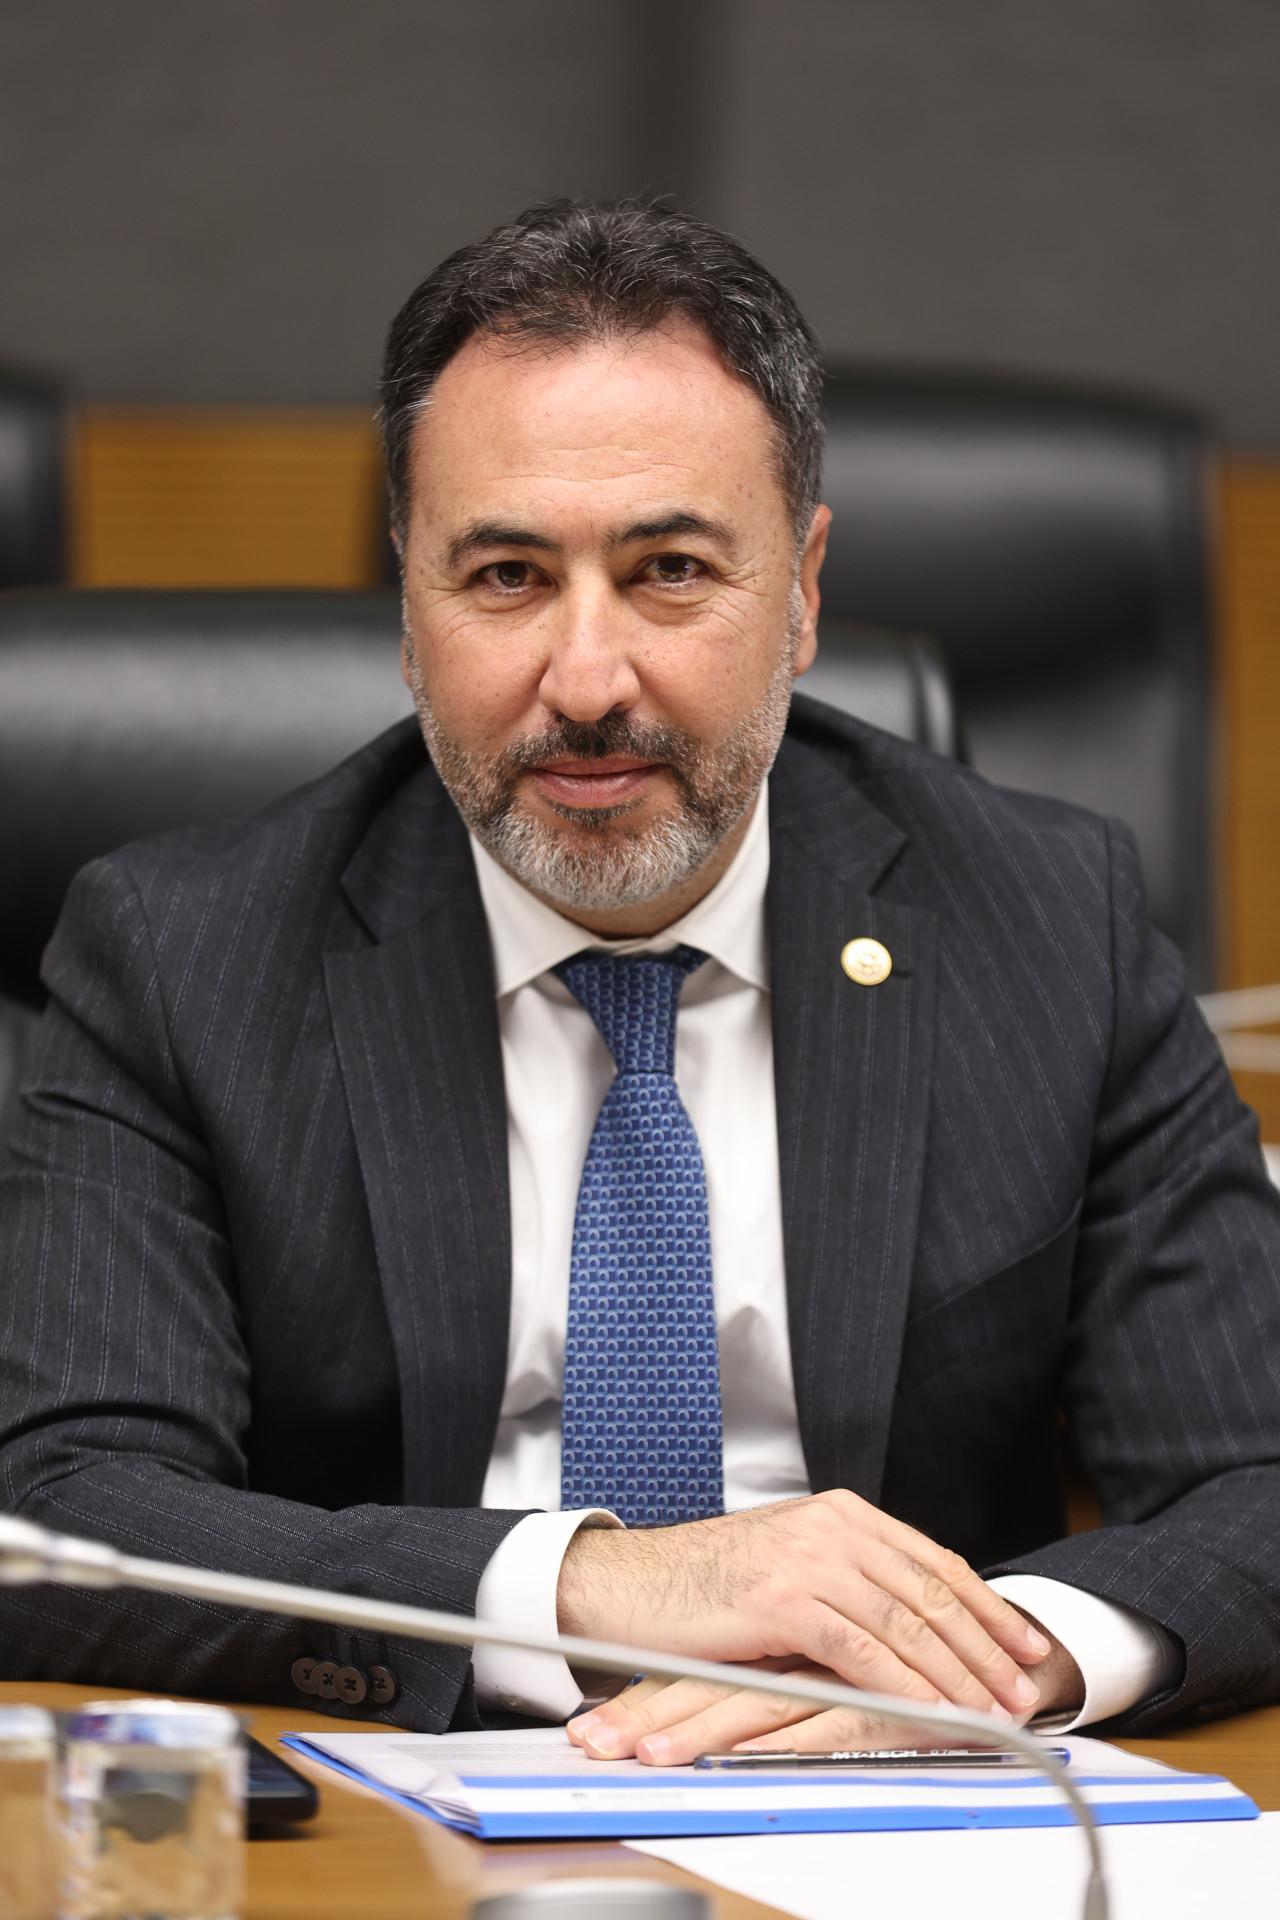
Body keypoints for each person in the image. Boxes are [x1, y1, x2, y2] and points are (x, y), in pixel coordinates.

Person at [2, 200, 1279, 1762]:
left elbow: (1259, 1480)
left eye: (671, 570)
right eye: (506, 576)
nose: (589, 679)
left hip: (905, 1804)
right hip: (407, 1798)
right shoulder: (181, 956)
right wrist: (588, 1591)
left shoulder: (1047, 922)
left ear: (802, 593)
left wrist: (967, 1664)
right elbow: (58, 1515)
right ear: (408, 607)